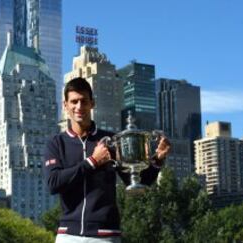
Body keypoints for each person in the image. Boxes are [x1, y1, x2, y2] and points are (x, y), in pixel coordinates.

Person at [44, 77, 171, 243]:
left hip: (105, 235)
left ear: (92, 103)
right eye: (74, 102)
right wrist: (93, 161)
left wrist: (157, 161)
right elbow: (54, 183)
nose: (79, 107)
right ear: (65, 105)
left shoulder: (111, 140)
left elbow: (138, 181)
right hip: (68, 235)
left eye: (84, 101)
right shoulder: (56, 143)